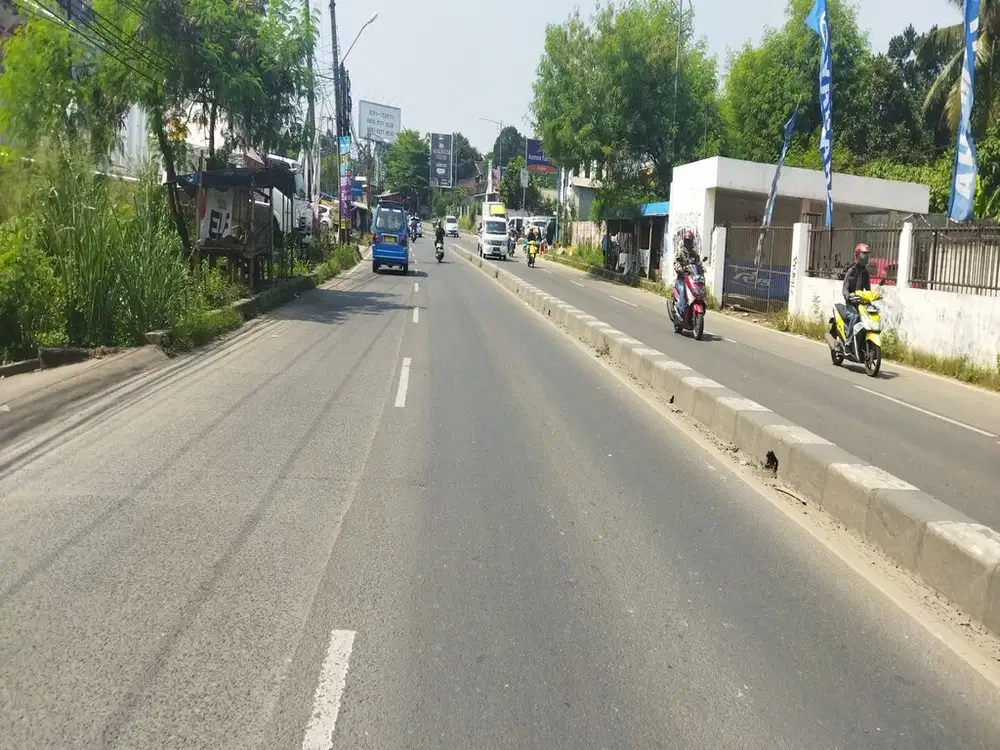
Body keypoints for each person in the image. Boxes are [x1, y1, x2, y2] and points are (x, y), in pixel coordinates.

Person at [841, 243, 872, 335]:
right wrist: (848, 295)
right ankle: (848, 344)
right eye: (863, 254)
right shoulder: (851, 271)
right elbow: (845, 287)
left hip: (861, 303)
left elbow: (868, 290)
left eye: (867, 255)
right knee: (855, 316)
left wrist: (873, 297)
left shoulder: (865, 273)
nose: (865, 257)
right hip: (851, 303)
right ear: (857, 255)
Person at [673, 230, 702, 318]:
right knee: (683, 291)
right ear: (685, 241)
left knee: (700, 290)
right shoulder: (680, 252)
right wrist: (680, 269)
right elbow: (676, 263)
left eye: (690, 241)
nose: (689, 243)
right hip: (682, 279)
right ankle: (681, 311)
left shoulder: (695, 254)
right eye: (687, 241)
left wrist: (702, 269)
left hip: (692, 279)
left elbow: (698, 264)